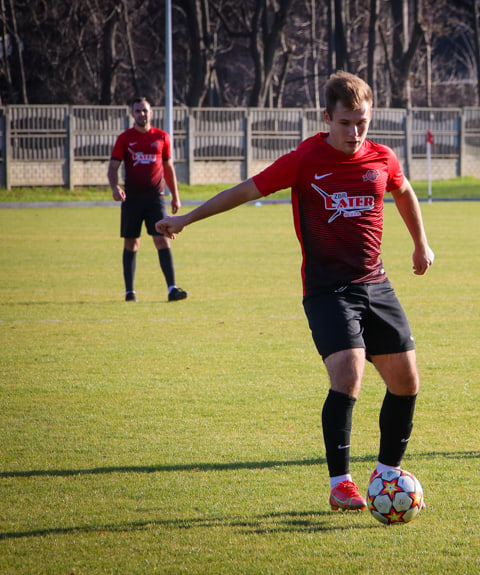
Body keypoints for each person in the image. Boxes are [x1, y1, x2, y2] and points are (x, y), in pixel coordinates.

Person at [156, 71, 434, 511]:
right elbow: (245, 191)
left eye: (362, 121)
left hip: (375, 284)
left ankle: (386, 473)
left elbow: (403, 191)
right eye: (346, 122)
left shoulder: (382, 157)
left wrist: (420, 243)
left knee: (406, 381)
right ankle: (341, 483)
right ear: (328, 118)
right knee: (349, 374)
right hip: (328, 290)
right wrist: (185, 219)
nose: (355, 132)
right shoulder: (305, 160)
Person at [108, 97, 187, 303]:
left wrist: (175, 196)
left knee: (162, 239)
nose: (142, 114)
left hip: (155, 199)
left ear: (151, 113)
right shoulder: (125, 138)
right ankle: (130, 293)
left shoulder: (161, 137)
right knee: (131, 243)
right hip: (132, 199)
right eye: (138, 111)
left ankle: (172, 289)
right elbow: (113, 167)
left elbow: (169, 169)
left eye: (145, 110)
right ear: (132, 114)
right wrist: (115, 187)